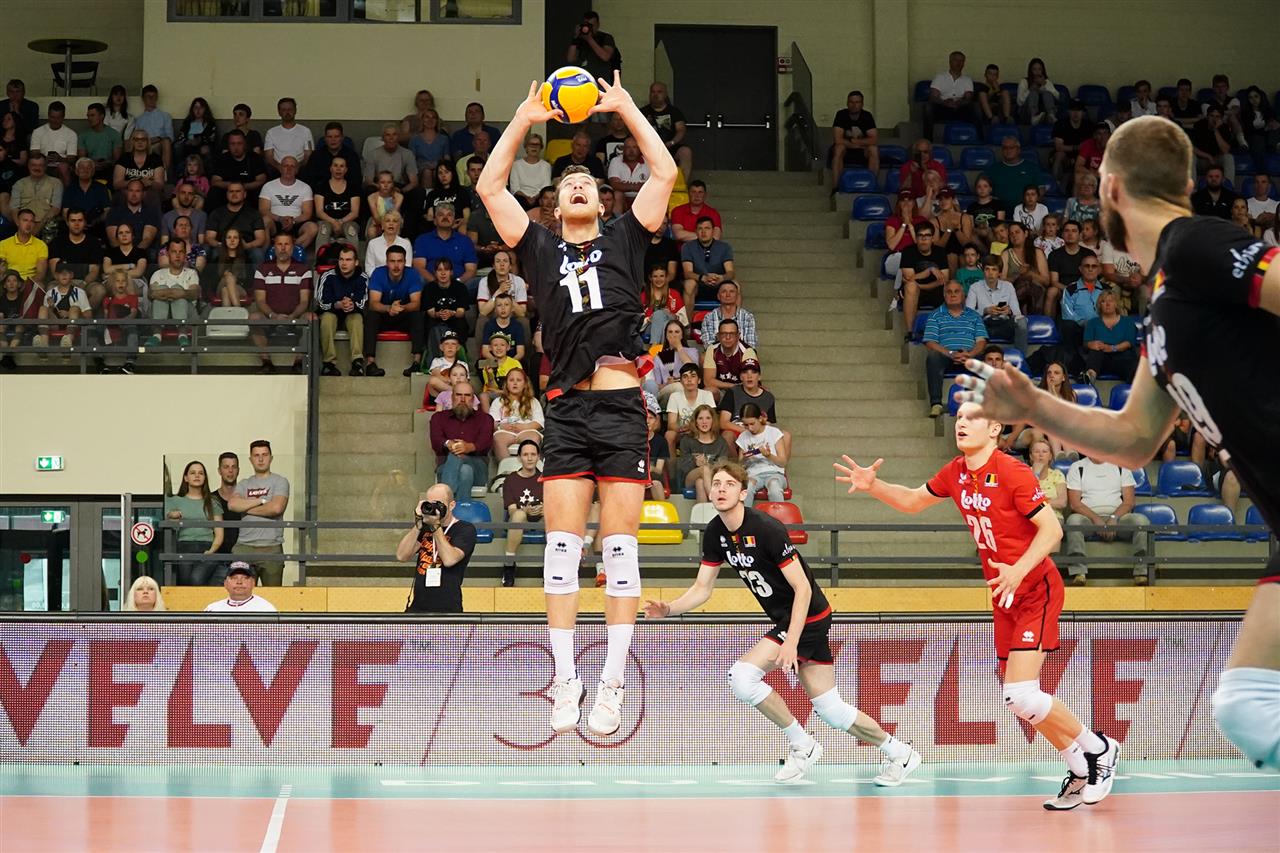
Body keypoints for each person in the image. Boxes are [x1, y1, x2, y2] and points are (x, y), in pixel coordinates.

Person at [956, 114, 1280, 771]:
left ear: (1108, 188)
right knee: (1246, 705)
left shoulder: (1194, 244)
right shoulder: (1167, 299)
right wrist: (1033, 405)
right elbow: (1132, 439)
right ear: (1184, 181)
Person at [476, 70, 677, 737]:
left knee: (620, 555)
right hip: (565, 411)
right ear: (557, 207)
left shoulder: (626, 236)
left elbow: (665, 171)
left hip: (620, 411)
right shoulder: (538, 247)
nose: (579, 185)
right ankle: (566, 680)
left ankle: (611, 684)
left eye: (587, 181)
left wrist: (625, 107)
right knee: (560, 551)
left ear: (601, 198)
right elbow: (490, 187)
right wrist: (524, 117)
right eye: (568, 185)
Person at [835, 406, 1120, 808]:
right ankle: (1078, 766)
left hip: (1035, 588)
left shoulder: (1012, 472)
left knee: (1021, 693)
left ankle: (1100, 748)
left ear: (995, 428)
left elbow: (1053, 530)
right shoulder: (956, 472)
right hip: (1003, 593)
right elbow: (914, 501)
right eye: (959, 419)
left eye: (972, 418)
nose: (962, 424)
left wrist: (1019, 570)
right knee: (1018, 700)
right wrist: (874, 485)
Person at [648, 461, 922, 785]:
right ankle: (900, 753)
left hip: (808, 616)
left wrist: (791, 641)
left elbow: (802, 588)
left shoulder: (767, 529)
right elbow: (702, 588)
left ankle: (802, 744)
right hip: (790, 619)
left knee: (742, 677)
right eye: (717, 484)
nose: (721, 489)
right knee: (831, 710)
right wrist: (670, 608)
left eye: (729, 485)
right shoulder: (715, 533)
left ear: (744, 493)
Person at [1063, 456, 1149, 585]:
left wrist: (1113, 518)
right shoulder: (1077, 467)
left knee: (1141, 521)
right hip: (1088, 519)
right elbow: (1075, 504)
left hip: (1119, 518)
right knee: (1073, 521)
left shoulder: (1121, 465)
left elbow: (1129, 502)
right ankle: (1079, 573)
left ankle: (1141, 572)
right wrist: (1096, 519)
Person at [396, 484, 478, 614]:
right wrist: (418, 525)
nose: (434, 508)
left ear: (451, 505)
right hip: (418, 608)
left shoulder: (465, 529)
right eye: (430, 504)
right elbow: (401, 556)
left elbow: (449, 560)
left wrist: (435, 526)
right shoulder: (424, 528)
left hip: (448, 609)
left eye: (438, 504)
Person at [221, 440, 290, 587]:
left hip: (271, 547)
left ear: (271, 458)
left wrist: (245, 507)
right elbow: (232, 504)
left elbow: (276, 508)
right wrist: (262, 501)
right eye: (256, 455)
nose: (260, 459)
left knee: (272, 596)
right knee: (240, 593)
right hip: (243, 547)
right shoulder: (244, 483)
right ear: (250, 459)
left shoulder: (280, 481)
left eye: (264, 455)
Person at [922, 280, 987, 417]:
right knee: (933, 357)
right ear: (944, 295)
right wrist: (950, 353)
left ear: (963, 295)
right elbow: (930, 342)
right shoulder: (935, 315)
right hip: (946, 356)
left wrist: (970, 354)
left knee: (990, 357)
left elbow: (981, 342)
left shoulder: (974, 316)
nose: (953, 295)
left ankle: (987, 404)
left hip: (970, 355)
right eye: (949, 292)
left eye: (956, 291)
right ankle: (936, 404)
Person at [251, 233, 313, 374]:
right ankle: (267, 363)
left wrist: (292, 316)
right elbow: (260, 300)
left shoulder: (303, 269)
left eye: (287, 244)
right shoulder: (263, 269)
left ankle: (298, 363)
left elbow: (304, 301)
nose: (283, 248)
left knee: (311, 318)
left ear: (293, 247)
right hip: (270, 317)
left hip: (296, 317)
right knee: (254, 318)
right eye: (279, 244)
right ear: (274, 247)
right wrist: (273, 316)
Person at [363, 243, 423, 377]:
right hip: (384, 315)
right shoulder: (378, 273)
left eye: (400, 261)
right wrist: (389, 308)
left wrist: (401, 308)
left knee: (417, 316)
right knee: (371, 316)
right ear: (386, 262)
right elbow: (373, 303)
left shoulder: (412, 274)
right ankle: (370, 363)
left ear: (405, 262)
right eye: (392, 261)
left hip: (403, 314)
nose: (396, 266)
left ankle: (416, 363)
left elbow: (416, 304)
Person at [429, 380, 494, 499]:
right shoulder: (438, 418)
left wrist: (468, 447)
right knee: (465, 471)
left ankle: (445, 499)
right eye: (458, 395)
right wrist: (449, 444)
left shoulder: (486, 419)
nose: (463, 399)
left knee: (456, 455)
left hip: (478, 469)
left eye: (467, 395)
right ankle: (461, 508)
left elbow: (485, 443)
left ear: (473, 399)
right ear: (452, 398)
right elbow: (436, 441)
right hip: (445, 468)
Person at [165, 460, 225, 585]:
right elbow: (166, 520)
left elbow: (219, 533)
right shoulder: (174, 500)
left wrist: (211, 551)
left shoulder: (212, 502)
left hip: (207, 547)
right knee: (185, 582)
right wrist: (171, 515)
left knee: (196, 579)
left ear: (205, 478)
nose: (197, 476)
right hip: (184, 546)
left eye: (200, 473)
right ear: (186, 478)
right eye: (192, 473)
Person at [316, 244, 368, 376]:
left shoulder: (363, 277)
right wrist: (337, 304)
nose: (344, 263)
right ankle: (329, 363)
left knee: (356, 319)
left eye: (348, 260)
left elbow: (363, 301)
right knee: (327, 319)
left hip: (352, 312)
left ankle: (357, 362)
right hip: (332, 311)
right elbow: (321, 302)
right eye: (341, 259)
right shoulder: (327, 276)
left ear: (356, 262)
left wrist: (352, 305)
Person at [501, 439, 545, 587]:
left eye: (533, 454)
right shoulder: (510, 479)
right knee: (518, 515)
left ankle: (551, 564)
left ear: (538, 457)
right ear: (519, 458)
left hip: (541, 519)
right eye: (526, 455)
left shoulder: (545, 478)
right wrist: (525, 510)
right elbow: (512, 510)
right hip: (520, 518)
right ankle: (509, 564)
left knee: (552, 514)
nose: (530, 458)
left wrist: (543, 509)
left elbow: (552, 505)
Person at [966, 253, 1027, 352]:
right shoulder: (975, 287)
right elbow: (968, 314)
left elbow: (1017, 313)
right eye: (987, 269)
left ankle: (1021, 357)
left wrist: (1009, 311)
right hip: (984, 326)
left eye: (994, 269)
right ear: (983, 271)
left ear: (999, 273)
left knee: (1022, 321)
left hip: (1004, 324)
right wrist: (985, 311)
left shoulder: (1008, 286)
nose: (990, 273)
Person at [147, 239, 200, 346]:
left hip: (188, 316)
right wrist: (176, 293)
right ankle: (156, 335)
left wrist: (173, 293)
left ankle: (183, 335)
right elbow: (151, 294)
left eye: (181, 252)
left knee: (177, 290)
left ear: (185, 254)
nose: (177, 255)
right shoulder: (158, 274)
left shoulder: (192, 273)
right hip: (161, 314)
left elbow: (194, 293)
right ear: (168, 254)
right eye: (174, 252)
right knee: (166, 290)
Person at [258, 156, 318, 249]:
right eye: (285, 166)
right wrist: (280, 219)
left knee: (313, 228)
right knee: (265, 221)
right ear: (280, 168)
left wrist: (293, 221)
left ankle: (292, 250)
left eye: (292, 166)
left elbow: (307, 213)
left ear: (297, 170)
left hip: (296, 222)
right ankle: (266, 254)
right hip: (275, 221)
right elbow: (263, 210)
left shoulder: (305, 187)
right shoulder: (268, 186)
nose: (289, 169)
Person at [735, 404, 789, 505]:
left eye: (752, 423)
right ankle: (745, 515)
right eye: (746, 425)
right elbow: (740, 465)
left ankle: (778, 515)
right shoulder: (743, 437)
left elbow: (783, 462)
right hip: (753, 474)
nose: (750, 428)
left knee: (774, 487)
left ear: (760, 418)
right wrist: (745, 459)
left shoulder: (774, 432)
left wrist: (769, 456)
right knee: (748, 488)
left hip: (775, 472)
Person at [676, 404, 729, 502]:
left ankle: (703, 511)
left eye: (708, 418)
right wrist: (694, 462)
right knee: (704, 469)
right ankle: (714, 499)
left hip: (714, 478)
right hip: (689, 478)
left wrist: (709, 465)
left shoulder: (721, 442)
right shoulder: (687, 440)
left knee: (700, 482)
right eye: (700, 418)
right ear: (695, 422)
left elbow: (723, 466)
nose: (704, 422)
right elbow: (682, 467)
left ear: (713, 420)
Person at [1082, 290, 1138, 381]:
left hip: (1122, 357)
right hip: (1101, 359)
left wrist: (1112, 348)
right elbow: (1086, 343)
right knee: (1095, 352)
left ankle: (1134, 384)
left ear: (1116, 304)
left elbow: (1129, 343)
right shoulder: (1092, 323)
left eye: (1111, 301)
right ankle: (1090, 377)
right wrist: (1091, 344)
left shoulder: (1128, 321)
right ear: (1100, 305)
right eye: (1103, 302)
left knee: (1130, 360)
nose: (1107, 304)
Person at [680, 216, 735, 308]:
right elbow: (687, 273)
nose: (703, 232)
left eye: (707, 228)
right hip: (699, 284)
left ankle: (734, 317)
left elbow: (730, 272)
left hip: (719, 284)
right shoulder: (687, 247)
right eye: (700, 229)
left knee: (735, 285)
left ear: (713, 230)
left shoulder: (724, 247)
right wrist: (703, 278)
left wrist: (721, 278)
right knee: (689, 284)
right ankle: (688, 318)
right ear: (696, 231)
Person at [641, 82, 693, 178]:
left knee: (686, 152)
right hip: (649, 148)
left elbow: (681, 130)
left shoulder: (674, 111)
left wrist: (671, 143)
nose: (655, 95)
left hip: (670, 146)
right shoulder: (643, 112)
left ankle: (682, 184)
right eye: (653, 92)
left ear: (665, 94)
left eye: (659, 92)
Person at [491, 367, 545, 458]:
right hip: (505, 431)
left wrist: (524, 427)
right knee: (498, 439)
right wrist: (501, 426)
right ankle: (505, 466)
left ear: (525, 384)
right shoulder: (498, 401)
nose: (515, 383)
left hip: (527, 430)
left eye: (519, 380)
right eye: (511, 380)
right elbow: (491, 422)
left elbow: (539, 422)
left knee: (533, 437)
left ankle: (529, 466)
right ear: (506, 384)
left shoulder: (533, 401)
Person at [829, 90, 880, 182]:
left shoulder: (867, 116)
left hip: (862, 151)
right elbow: (837, 139)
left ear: (862, 104)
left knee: (873, 149)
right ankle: (836, 186)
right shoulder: (841, 114)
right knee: (839, 148)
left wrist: (855, 142)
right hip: (846, 150)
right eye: (851, 102)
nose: (854, 105)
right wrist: (858, 144)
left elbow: (874, 139)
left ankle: (871, 184)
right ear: (847, 103)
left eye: (857, 102)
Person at [924, 50, 975, 141]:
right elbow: (933, 97)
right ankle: (927, 140)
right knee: (928, 108)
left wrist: (959, 103)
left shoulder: (967, 80)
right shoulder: (940, 77)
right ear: (950, 61)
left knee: (974, 108)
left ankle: (979, 139)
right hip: (943, 107)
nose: (958, 63)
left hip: (959, 108)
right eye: (956, 60)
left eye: (961, 61)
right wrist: (945, 103)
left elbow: (968, 98)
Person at [702, 317, 758, 398]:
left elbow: (750, 381)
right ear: (718, 336)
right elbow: (708, 381)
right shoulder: (712, 349)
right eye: (724, 334)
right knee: (708, 392)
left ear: (738, 336)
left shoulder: (747, 351)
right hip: (721, 390)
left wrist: (737, 388)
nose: (728, 337)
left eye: (731, 334)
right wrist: (733, 386)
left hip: (742, 391)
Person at [314, 155, 362, 247]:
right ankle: (320, 256)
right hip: (326, 221)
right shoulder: (321, 186)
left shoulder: (353, 187)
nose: (338, 169)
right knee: (324, 230)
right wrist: (333, 222)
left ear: (346, 170)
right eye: (335, 165)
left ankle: (354, 256)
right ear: (331, 168)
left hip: (348, 221)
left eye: (341, 166)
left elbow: (355, 213)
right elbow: (319, 212)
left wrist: (341, 222)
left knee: (351, 231)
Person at [566, 10, 620, 89]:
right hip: (583, 81)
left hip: (601, 81)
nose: (589, 28)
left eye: (591, 25)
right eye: (586, 25)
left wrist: (589, 39)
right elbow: (570, 59)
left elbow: (605, 56)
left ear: (598, 25)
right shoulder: (580, 39)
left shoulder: (605, 37)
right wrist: (575, 37)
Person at [29, 101, 79, 184]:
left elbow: (72, 158)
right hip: (43, 164)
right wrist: (44, 159)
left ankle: (66, 191)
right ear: (48, 116)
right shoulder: (38, 132)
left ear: (63, 117)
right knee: (37, 163)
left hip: (61, 166)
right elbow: (33, 153)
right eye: (52, 117)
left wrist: (60, 159)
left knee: (63, 167)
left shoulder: (71, 134)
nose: (55, 120)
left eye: (58, 118)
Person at [698, 280, 755, 349]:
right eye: (724, 291)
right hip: (716, 354)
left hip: (741, 354)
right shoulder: (709, 317)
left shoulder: (747, 317)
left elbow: (750, 345)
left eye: (732, 291)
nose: (728, 295)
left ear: (737, 296)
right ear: (718, 296)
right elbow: (709, 346)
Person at [203, 561, 278, 612]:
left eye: (245, 578)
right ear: (225, 584)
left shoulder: (266, 609)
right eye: (234, 578)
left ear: (253, 583)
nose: (239, 582)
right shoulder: (213, 609)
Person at [364, 123, 418, 192]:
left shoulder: (408, 154)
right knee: (369, 189)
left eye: (394, 134)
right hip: (379, 186)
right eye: (388, 135)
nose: (391, 138)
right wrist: (384, 188)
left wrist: (401, 191)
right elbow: (368, 181)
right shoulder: (373, 154)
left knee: (419, 191)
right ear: (383, 138)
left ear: (398, 137)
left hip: (399, 186)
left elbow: (414, 182)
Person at [263, 97, 312, 173]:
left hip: (300, 170)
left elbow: (308, 155)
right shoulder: (271, 132)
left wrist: (297, 167)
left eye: (290, 109)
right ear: (279, 112)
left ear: (295, 111)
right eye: (284, 110)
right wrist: (280, 167)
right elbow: (268, 157)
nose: (287, 112)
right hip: (277, 170)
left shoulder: (306, 131)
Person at [509, 133, 551, 209]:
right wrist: (527, 197)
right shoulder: (516, 165)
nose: (534, 147)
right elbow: (515, 188)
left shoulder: (546, 166)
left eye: (537, 145)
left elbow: (546, 187)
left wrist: (534, 198)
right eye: (531, 144)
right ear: (526, 147)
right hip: (521, 198)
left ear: (541, 148)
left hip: (539, 198)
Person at [1016, 58, 1058, 126]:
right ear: (1030, 70)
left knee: (1047, 93)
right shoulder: (1024, 81)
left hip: (1044, 111)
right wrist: (1030, 90)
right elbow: (1019, 102)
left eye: (1039, 69)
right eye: (1034, 69)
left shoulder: (1047, 82)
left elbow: (1057, 96)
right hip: (1026, 112)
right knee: (1034, 92)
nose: (1037, 72)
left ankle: (1051, 116)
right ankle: (1034, 116)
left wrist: (1045, 86)